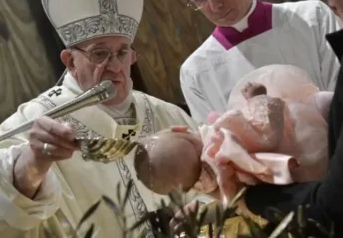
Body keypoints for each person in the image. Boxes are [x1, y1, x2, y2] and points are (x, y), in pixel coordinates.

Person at [0, 0, 199, 237]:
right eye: (100, 54)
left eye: (122, 52)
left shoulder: (166, 113)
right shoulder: (34, 121)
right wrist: (33, 163)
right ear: (70, 61)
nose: (116, 67)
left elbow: (210, 191)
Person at [134, 65, 331, 206]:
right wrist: (258, 98)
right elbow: (266, 132)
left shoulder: (212, 184)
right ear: (179, 129)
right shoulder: (220, 140)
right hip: (302, 138)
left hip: (301, 181)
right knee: (323, 102)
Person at [242, 28, 343, 236]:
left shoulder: (308, 16)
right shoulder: (192, 69)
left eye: (337, 9)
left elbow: (333, 203)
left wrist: (251, 198)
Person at [180, 0, 343, 124]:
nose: (216, 6)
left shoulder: (313, 16)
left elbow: (339, 89)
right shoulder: (195, 72)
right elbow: (214, 139)